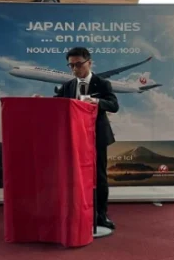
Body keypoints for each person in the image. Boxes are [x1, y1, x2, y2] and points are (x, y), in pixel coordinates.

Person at [55, 47, 119, 230]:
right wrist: (39, 100)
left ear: (89, 63)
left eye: (78, 64)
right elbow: (57, 105)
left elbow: (114, 105)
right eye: (71, 65)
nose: (75, 69)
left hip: (97, 137)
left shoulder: (102, 83)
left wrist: (97, 102)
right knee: (72, 176)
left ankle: (101, 215)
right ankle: (76, 213)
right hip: (73, 139)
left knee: (99, 177)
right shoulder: (67, 86)